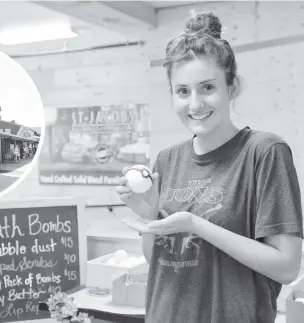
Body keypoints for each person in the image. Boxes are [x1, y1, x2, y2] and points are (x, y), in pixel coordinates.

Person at [115, 11, 303, 323]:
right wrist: (150, 219)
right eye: (183, 91)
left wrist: (196, 225)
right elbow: (159, 261)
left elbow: (286, 267)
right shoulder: (166, 159)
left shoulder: (263, 153)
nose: (195, 104)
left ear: (232, 88)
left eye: (207, 87)